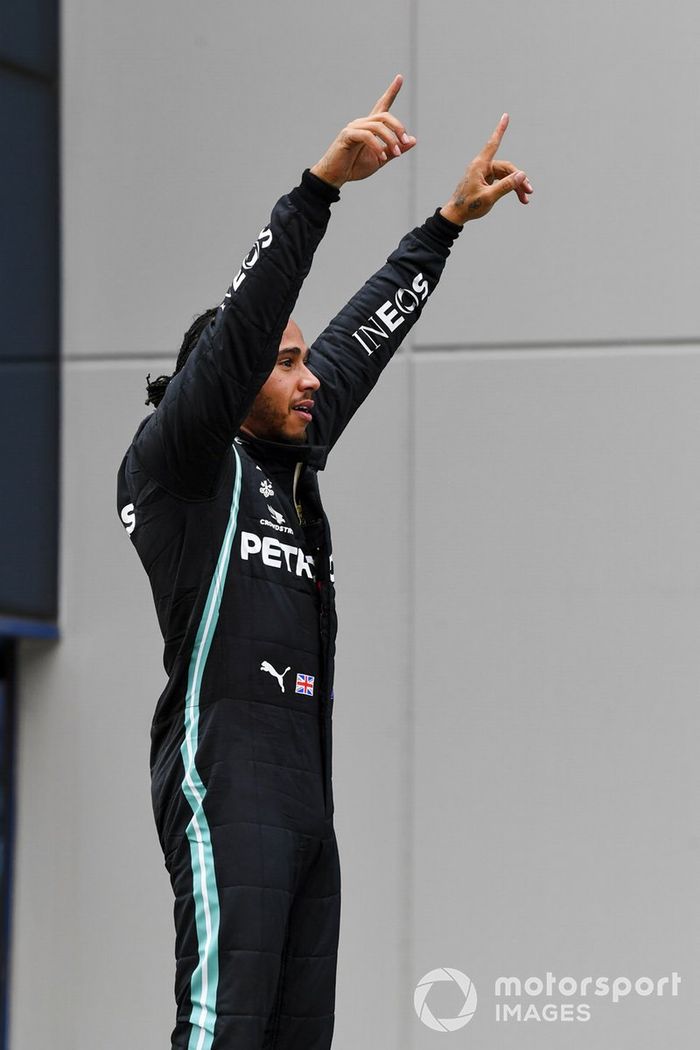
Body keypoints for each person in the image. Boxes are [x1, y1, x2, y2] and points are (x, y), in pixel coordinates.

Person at [117, 74, 532, 1050]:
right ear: (227, 375)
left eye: (305, 364)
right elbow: (245, 335)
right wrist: (316, 192)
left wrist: (443, 226)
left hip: (306, 791)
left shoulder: (287, 458)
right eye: (285, 361)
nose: (308, 377)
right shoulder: (180, 463)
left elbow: (360, 340)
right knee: (221, 1030)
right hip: (225, 778)